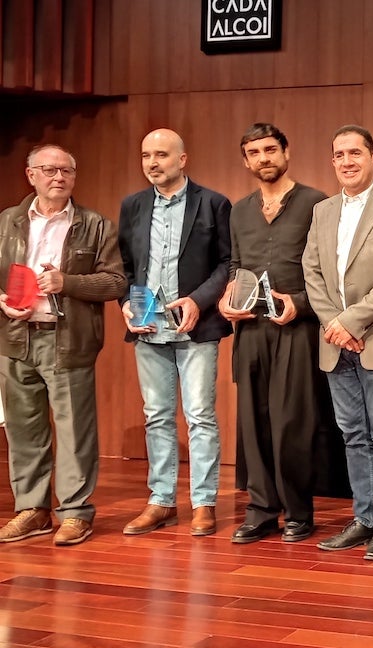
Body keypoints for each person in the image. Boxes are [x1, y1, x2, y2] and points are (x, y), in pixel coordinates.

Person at [0, 144, 126, 545]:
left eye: (67, 171)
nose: (59, 178)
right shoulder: (6, 222)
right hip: (15, 339)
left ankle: (75, 512)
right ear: (30, 174)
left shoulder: (95, 224)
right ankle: (32, 510)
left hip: (68, 340)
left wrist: (66, 283)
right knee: (24, 430)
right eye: (50, 170)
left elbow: (116, 282)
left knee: (75, 430)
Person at [303, 125, 373, 561]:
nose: (347, 161)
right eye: (339, 155)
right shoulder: (322, 210)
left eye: (355, 153)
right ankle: (363, 518)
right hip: (335, 341)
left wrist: (351, 322)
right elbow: (311, 270)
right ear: (332, 162)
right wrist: (335, 325)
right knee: (353, 434)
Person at [118, 129, 232, 538]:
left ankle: (203, 503)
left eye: (161, 155)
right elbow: (126, 268)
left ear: (182, 160)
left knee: (200, 416)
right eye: (146, 155)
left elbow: (226, 263)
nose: (152, 163)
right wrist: (126, 305)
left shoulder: (213, 202)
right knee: (156, 417)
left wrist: (198, 301)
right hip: (148, 329)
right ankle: (161, 501)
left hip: (195, 328)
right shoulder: (132, 205)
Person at [218, 122, 328, 544]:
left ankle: (299, 511)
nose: (263, 158)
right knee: (254, 422)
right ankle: (261, 509)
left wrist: (298, 303)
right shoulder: (240, 209)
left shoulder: (315, 203)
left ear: (286, 152)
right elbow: (235, 266)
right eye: (254, 152)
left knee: (291, 423)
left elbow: (324, 273)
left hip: (296, 328)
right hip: (250, 329)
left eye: (270, 150)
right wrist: (228, 299)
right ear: (246, 160)